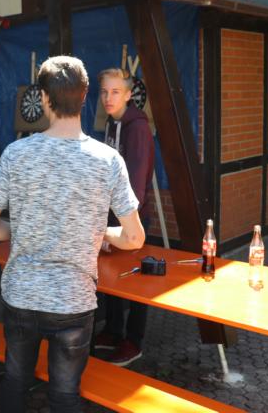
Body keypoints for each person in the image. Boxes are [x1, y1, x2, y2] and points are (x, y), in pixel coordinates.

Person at [0, 56, 145, 412]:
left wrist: (22, 229)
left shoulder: (16, 154)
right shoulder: (108, 160)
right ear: (85, 96)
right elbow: (134, 239)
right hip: (74, 301)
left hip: (21, 296)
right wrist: (101, 232)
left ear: (43, 97)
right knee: (65, 395)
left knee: (15, 382)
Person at [94, 68, 156, 367]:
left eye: (116, 92)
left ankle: (133, 341)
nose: (109, 97)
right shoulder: (112, 122)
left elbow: (137, 183)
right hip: (111, 215)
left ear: (129, 95)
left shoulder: (137, 128)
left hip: (132, 218)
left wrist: (126, 223)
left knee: (136, 281)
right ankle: (114, 330)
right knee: (112, 276)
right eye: (105, 91)